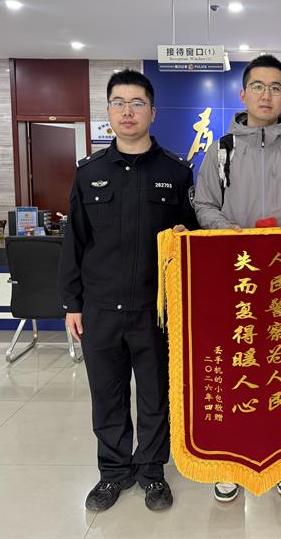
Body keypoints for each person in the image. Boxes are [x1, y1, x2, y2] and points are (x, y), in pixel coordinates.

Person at [193, 54, 281, 502]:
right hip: (234, 279)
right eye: (258, 86)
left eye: (275, 87)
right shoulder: (221, 150)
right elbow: (203, 205)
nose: (266, 95)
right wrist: (226, 232)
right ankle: (229, 463)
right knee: (237, 366)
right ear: (243, 94)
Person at [58, 69, 197, 513]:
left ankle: (152, 471)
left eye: (137, 103)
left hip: (156, 310)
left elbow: (194, 239)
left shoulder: (176, 172)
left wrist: (187, 236)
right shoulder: (89, 173)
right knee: (108, 395)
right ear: (108, 112)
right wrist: (72, 304)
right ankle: (113, 473)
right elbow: (75, 241)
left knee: (155, 396)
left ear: (153, 112)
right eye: (119, 103)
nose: (128, 112)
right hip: (100, 308)